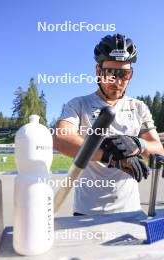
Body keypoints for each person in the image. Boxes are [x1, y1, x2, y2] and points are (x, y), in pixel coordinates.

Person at [53, 33, 164, 215]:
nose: (117, 81)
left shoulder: (138, 107)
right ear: (98, 71)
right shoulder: (79, 104)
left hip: (130, 210)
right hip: (88, 210)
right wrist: (110, 155)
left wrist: (138, 144)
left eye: (124, 74)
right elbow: (61, 138)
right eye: (111, 73)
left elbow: (158, 150)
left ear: (131, 74)